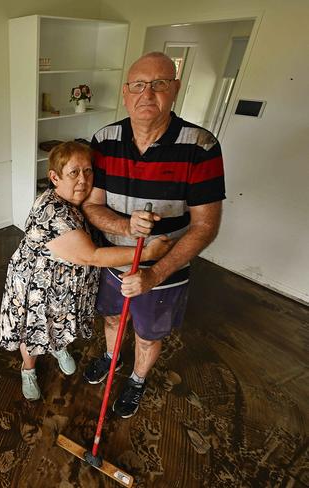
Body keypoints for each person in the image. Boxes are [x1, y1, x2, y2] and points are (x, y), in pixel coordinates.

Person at [81, 52, 225, 418]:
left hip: (164, 272)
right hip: (113, 260)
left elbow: (205, 225)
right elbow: (93, 206)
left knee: (148, 334)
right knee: (112, 319)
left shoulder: (201, 146)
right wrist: (125, 227)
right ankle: (112, 358)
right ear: (125, 92)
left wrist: (154, 274)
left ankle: (137, 380)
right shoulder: (104, 139)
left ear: (174, 89)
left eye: (159, 84)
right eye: (138, 86)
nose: (148, 94)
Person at [0, 141, 173, 401]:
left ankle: (57, 348)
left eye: (88, 171)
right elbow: (92, 255)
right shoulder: (52, 211)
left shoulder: (76, 202)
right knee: (34, 328)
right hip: (37, 287)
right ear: (54, 177)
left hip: (64, 286)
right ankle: (29, 369)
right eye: (73, 173)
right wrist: (147, 254)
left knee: (58, 322)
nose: (83, 180)